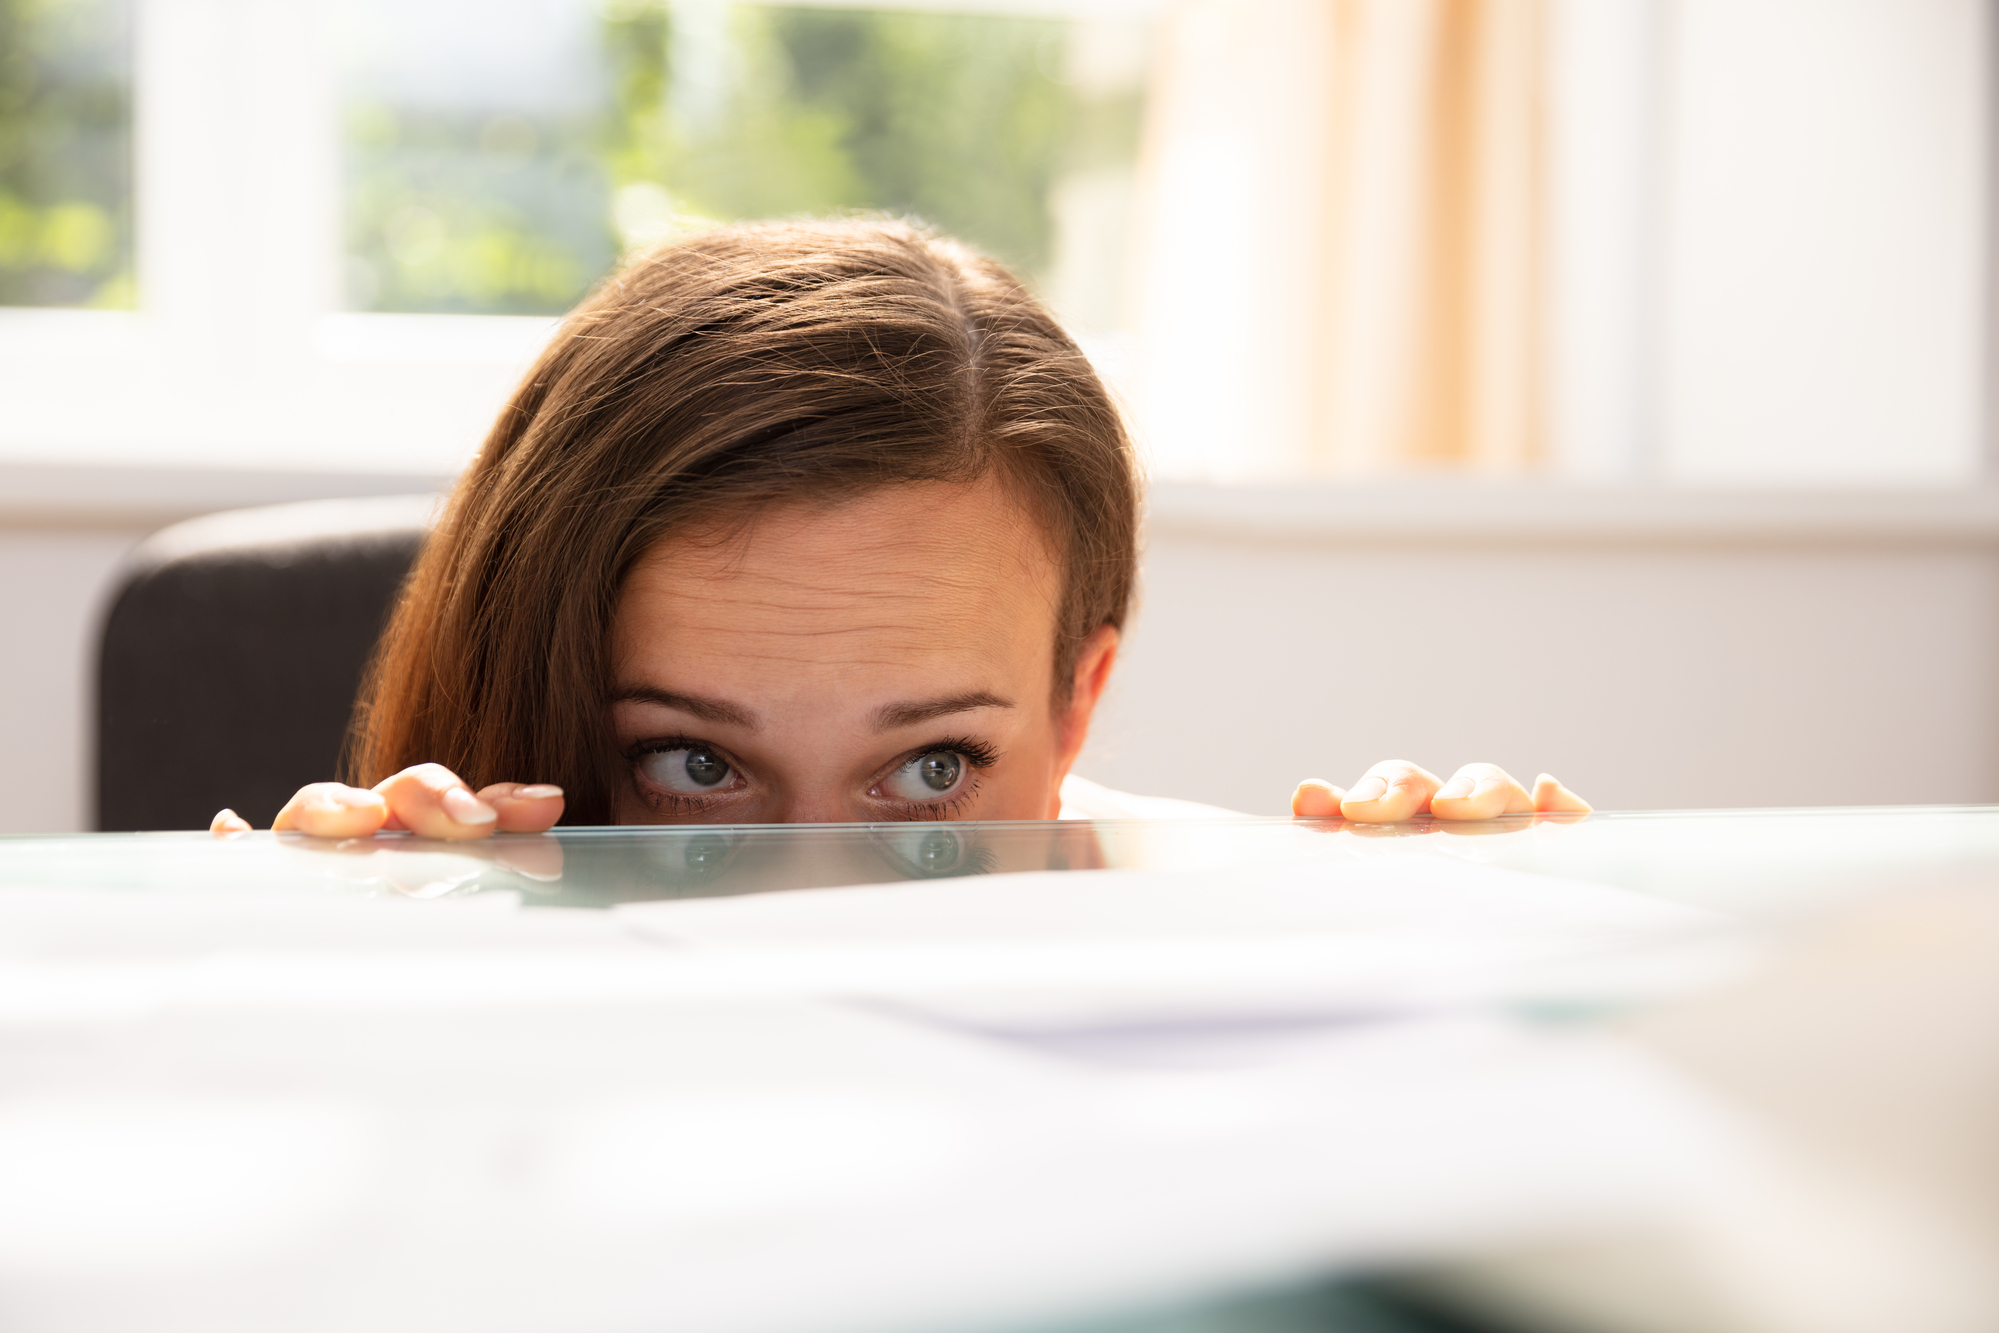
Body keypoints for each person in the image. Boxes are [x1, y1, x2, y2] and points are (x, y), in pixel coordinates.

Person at [211, 219, 1587, 842]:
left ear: (1077, 704)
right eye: (695, 763)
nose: (820, 894)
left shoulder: (1193, 954)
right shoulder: (433, 958)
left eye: (931, 771)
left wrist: (1459, 967)